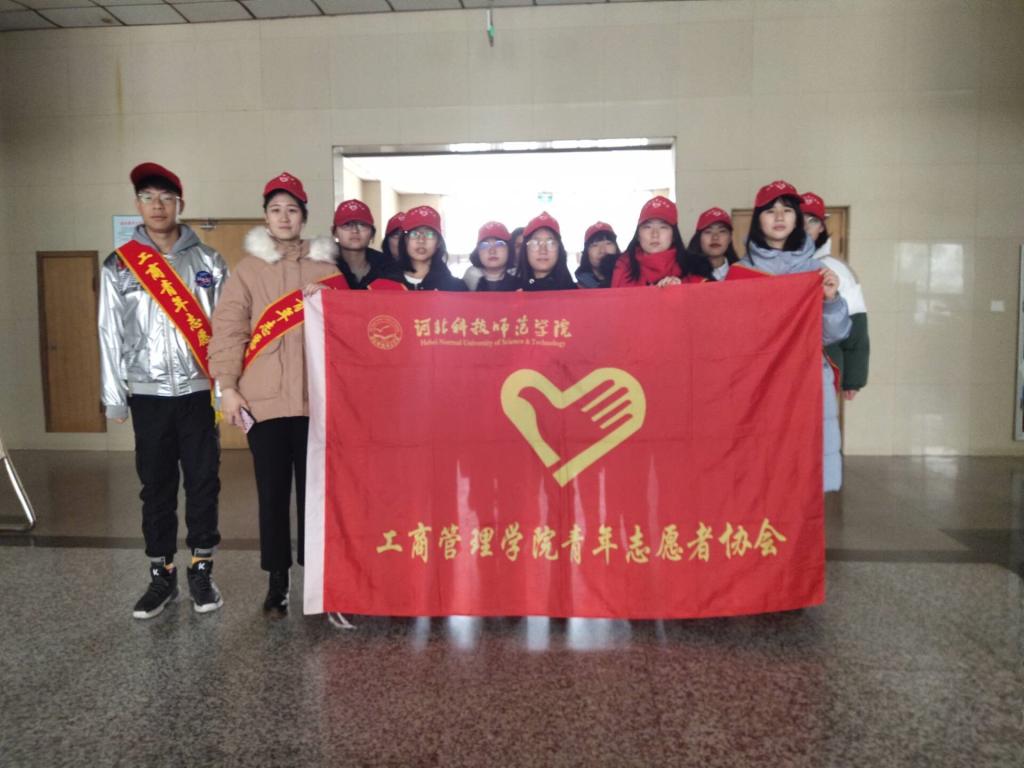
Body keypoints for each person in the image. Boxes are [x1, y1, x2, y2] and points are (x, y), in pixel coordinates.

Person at [209, 172, 344, 613]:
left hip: (316, 403)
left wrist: (331, 300)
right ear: (265, 217)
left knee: (315, 496)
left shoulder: (327, 271)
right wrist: (227, 387)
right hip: (263, 403)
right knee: (271, 494)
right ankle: (277, 578)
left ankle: (315, 577)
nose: (284, 217)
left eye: (292, 210)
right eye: (275, 210)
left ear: (304, 216)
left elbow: (346, 334)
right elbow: (228, 331)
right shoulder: (248, 271)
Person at [99, 162, 226, 619]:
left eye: (166, 198)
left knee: (203, 482)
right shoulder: (119, 265)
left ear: (180, 204)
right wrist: (114, 396)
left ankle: (201, 571)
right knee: (156, 486)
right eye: (148, 197)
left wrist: (225, 387)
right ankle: (162, 575)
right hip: (147, 394)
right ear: (138, 205)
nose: (157, 206)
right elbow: (108, 332)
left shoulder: (210, 261)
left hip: (197, 392)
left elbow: (227, 331)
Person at [739, 180, 851, 492]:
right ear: (758, 219)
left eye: (787, 210)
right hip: (758, 385)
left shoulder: (818, 273)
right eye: (770, 211)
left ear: (797, 219)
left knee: (805, 480)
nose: (779, 217)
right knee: (760, 480)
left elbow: (834, 334)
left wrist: (831, 300)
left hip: (806, 381)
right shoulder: (736, 275)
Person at [801, 192, 870, 401]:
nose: (805, 227)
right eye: (800, 220)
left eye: (812, 221)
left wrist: (853, 379)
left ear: (821, 227)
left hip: (825, 366)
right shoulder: (778, 265)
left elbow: (857, 326)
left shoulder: (837, 269)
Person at [610, 196, 712, 287]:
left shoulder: (694, 268)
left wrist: (681, 289)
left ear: (674, 235)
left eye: (663, 227)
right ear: (638, 235)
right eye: (647, 227)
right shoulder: (621, 267)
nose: (655, 234)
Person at [332, 199, 400, 289]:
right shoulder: (324, 265)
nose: (355, 231)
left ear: (372, 233)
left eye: (362, 225)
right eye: (347, 225)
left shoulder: (388, 266)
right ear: (335, 232)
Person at [397, 205, 467, 291]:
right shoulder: (387, 283)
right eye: (414, 234)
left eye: (429, 234)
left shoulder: (455, 287)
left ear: (438, 242)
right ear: (405, 240)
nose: (421, 240)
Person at [516, 212, 578, 291]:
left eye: (550, 243)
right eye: (535, 243)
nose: (543, 251)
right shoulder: (511, 290)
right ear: (525, 250)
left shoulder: (575, 292)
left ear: (560, 250)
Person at [688, 207, 738, 281]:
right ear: (699, 238)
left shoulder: (741, 274)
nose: (715, 237)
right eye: (708, 231)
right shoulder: (687, 278)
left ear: (730, 238)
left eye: (722, 231)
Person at [471, 221, 518, 292]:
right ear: (477, 252)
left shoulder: (522, 280)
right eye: (484, 245)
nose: (492, 251)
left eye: (499, 244)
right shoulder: (468, 281)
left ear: (509, 249)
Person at [575, 221, 618, 288]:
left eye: (608, 243)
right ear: (586, 253)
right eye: (595, 245)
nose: (602, 251)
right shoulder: (575, 289)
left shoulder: (628, 284)